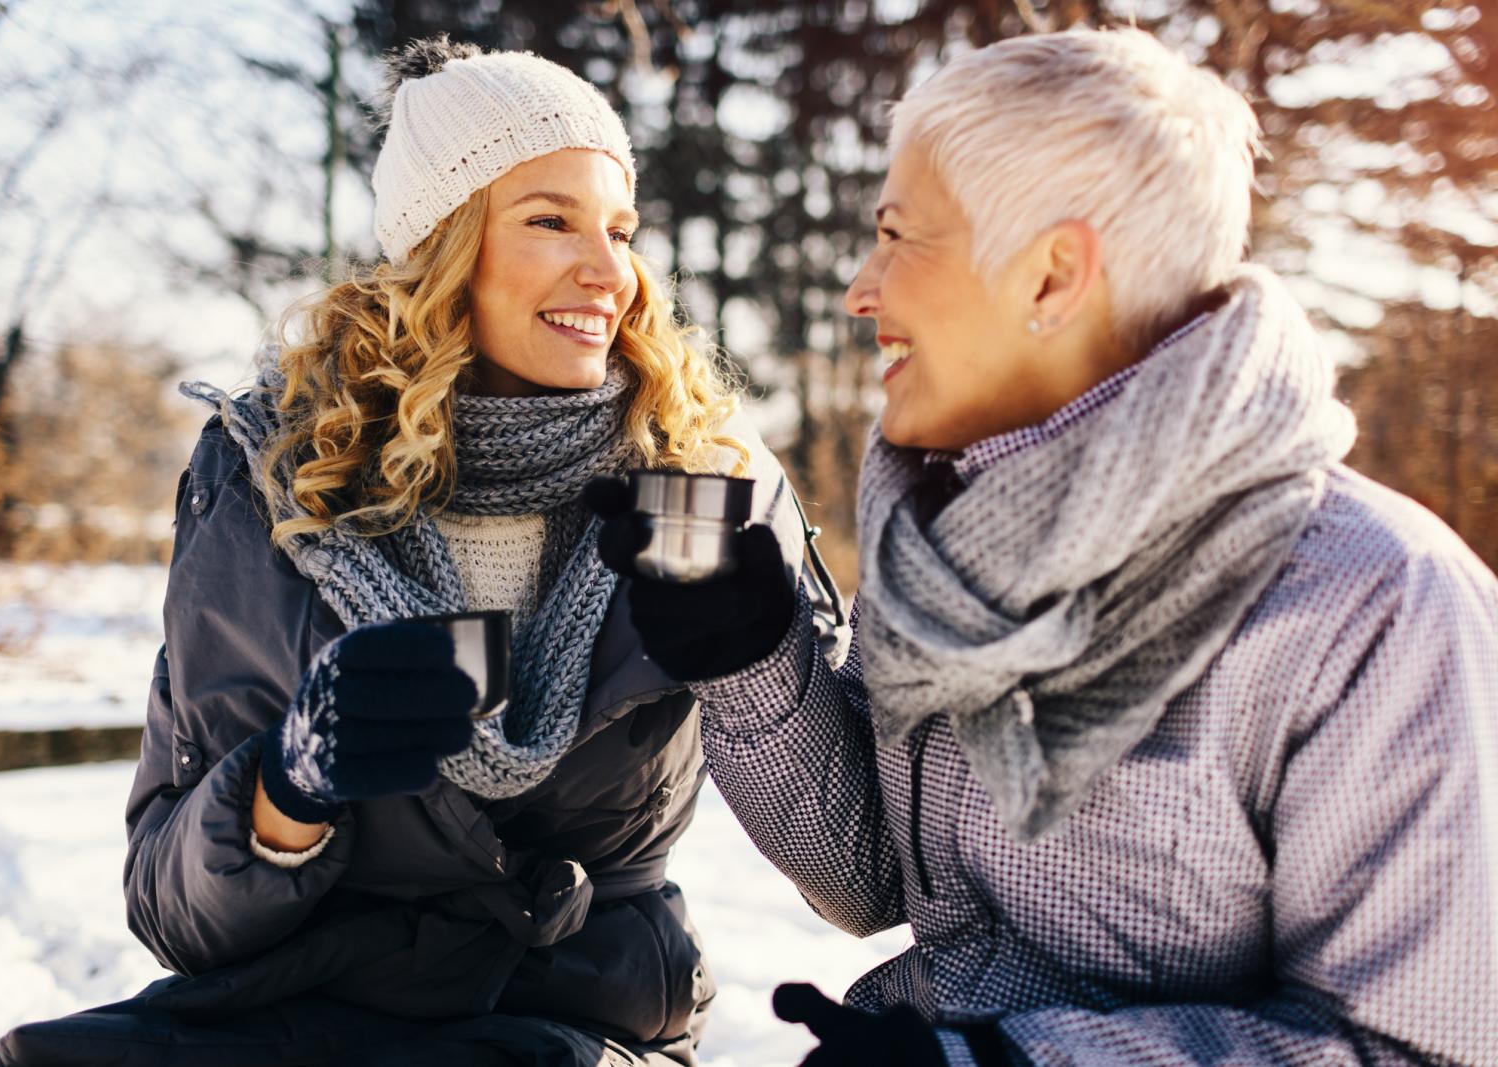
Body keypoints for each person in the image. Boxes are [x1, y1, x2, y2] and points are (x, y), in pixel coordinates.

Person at [591, 27, 1498, 1067]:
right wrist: (750, 657)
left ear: (1051, 276)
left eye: (897, 234)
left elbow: (1429, 1045)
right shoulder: (946, 546)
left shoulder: (1369, 601)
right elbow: (872, 881)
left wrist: (1014, 1062)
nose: (860, 287)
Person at [0, 38, 843, 1067]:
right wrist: (286, 790)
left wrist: (760, 663)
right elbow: (176, 919)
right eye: (550, 220)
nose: (610, 271)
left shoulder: (706, 482)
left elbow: (855, 874)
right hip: (298, 1004)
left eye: (620, 229)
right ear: (445, 247)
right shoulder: (273, 477)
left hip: (576, 1015)